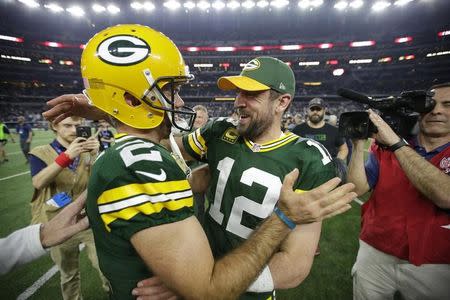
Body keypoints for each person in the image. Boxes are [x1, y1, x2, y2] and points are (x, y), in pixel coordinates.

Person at [43, 25, 356, 300]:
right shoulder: (220, 132)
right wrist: (116, 105)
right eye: (237, 92)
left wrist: (200, 284)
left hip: (241, 288)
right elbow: (165, 150)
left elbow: (295, 266)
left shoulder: (310, 158)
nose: (238, 102)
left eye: (251, 94)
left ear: (282, 102)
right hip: (196, 267)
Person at [347, 83, 450, 300]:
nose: (437, 110)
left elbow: (445, 195)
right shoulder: (383, 148)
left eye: (447, 104)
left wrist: (396, 143)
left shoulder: (392, 143)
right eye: (430, 104)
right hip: (375, 250)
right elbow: (357, 189)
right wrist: (357, 145)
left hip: (437, 260)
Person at [29, 116, 109, 299]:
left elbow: (100, 181)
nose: (74, 130)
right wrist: (66, 156)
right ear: (54, 126)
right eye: (67, 125)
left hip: (87, 219)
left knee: (105, 266)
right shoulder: (40, 152)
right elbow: (38, 182)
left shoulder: (86, 150)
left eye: (77, 125)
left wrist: (96, 154)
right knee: (68, 274)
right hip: (57, 222)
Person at [0, 192, 89, 275]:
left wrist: (42, 236)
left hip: (74, 218)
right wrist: (42, 236)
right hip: (57, 217)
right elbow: (37, 182)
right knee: (67, 272)